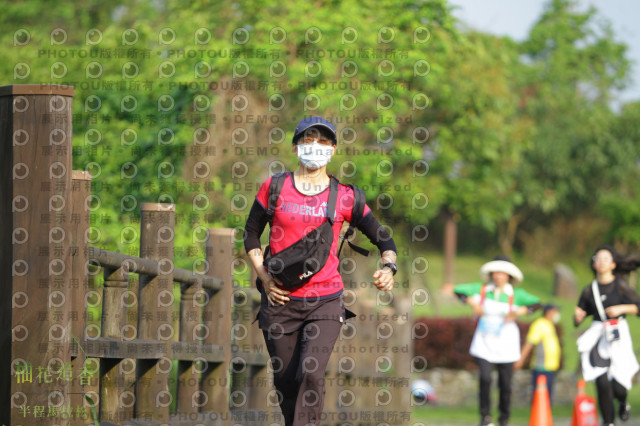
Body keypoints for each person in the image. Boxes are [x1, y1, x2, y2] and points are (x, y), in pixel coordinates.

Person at [243, 116, 398, 426]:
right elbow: (251, 233)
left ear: (333, 149)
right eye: (308, 140)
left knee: (311, 374)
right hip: (279, 300)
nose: (315, 147)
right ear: (295, 147)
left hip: (325, 300)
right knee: (287, 381)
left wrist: (389, 267)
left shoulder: (346, 196)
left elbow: (383, 238)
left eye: (323, 142)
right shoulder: (275, 187)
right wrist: (264, 277)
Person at [454, 256, 541, 426]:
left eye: (502, 273)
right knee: (485, 378)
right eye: (496, 272)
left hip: (506, 342)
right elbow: (459, 291)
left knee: (505, 383)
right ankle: (485, 417)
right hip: (484, 341)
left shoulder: (516, 294)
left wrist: (519, 311)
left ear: (509, 276)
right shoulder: (482, 290)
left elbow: (536, 304)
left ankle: (504, 418)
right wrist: (472, 302)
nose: (498, 276)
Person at [574, 245, 640, 426]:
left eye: (606, 259)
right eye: (598, 258)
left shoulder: (620, 286)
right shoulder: (589, 290)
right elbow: (579, 317)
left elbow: (638, 306)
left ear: (613, 264)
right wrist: (578, 317)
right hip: (598, 336)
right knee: (601, 381)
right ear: (594, 263)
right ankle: (608, 422)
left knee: (618, 386)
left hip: (618, 335)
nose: (601, 262)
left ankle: (623, 402)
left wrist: (622, 308)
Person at [514, 303, 561, 404]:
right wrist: (520, 360)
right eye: (555, 311)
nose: (557, 314)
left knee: (547, 397)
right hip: (541, 366)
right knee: (540, 396)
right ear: (548, 312)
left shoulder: (549, 325)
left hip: (550, 367)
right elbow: (530, 343)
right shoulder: (540, 324)